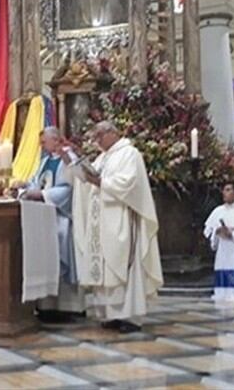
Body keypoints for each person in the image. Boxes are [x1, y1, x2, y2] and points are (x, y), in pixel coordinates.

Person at [71, 121, 164, 333]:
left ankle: (130, 316)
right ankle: (110, 314)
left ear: (113, 133)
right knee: (103, 267)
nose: (97, 141)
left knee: (122, 265)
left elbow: (128, 183)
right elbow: (91, 182)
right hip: (101, 221)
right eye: (95, 136)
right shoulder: (102, 157)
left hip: (121, 218)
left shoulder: (129, 154)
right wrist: (82, 178)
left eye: (100, 135)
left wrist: (100, 182)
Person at [20, 127, 83, 322]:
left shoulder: (69, 159)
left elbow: (70, 188)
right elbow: (37, 183)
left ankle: (67, 306)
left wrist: (42, 195)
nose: (41, 146)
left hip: (61, 217)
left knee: (61, 251)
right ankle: (46, 305)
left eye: (44, 142)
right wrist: (25, 187)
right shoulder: (45, 161)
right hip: (43, 218)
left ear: (56, 140)